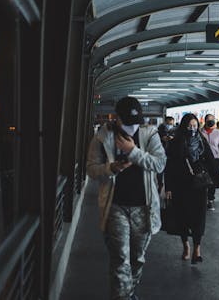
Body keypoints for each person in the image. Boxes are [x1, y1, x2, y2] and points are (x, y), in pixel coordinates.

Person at [86, 96, 166, 300]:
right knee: (121, 259)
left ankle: (128, 293)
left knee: (137, 258)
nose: (132, 127)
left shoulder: (149, 135)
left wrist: (133, 152)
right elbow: (91, 170)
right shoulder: (103, 136)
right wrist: (111, 168)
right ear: (117, 118)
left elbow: (159, 164)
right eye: (128, 123)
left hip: (144, 207)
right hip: (116, 207)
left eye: (136, 122)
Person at [165, 113, 217, 264]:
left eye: (195, 126)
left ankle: (197, 249)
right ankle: (186, 245)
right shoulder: (176, 143)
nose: (192, 129)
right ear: (184, 126)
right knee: (182, 216)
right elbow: (170, 166)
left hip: (199, 185)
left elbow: (211, 162)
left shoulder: (202, 141)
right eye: (189, 126)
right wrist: (168, 187)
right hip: (181, 185)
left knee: (199, 217)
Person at [201, 114, 219, 211]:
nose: (211, 122)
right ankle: (202, 198)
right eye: (209, 120)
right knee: (203, 179)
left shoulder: (218, 133)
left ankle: (210, 199)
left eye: (212, 120)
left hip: (215, 160)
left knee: (213, 180)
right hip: (203, 160)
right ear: (205, 121)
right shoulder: (200, 132)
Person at [157, 116, 175, 192]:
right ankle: (160, 185)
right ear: (165, 123)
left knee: (169, 173)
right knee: (160, 172)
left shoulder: (175, 131)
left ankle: (168, 189)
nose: (170, 125)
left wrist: (173, 139)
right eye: (168, 123)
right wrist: (162, 138)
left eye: (171, 124)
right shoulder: (160, 130)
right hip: (161, 154)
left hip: (171, 156)